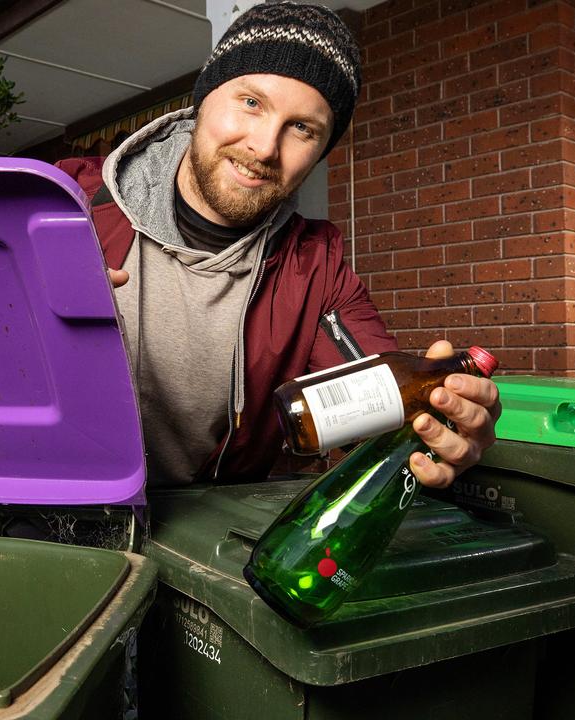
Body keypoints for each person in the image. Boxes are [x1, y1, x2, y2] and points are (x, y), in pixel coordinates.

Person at [56, 1, 500, 488]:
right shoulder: (65, 205)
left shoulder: (315, 265)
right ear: (203, 100)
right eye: (251, 102)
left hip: (203, 532)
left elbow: (380, 417)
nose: (265, 147)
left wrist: (442, 424)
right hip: (52, 513)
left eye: (303, 128)